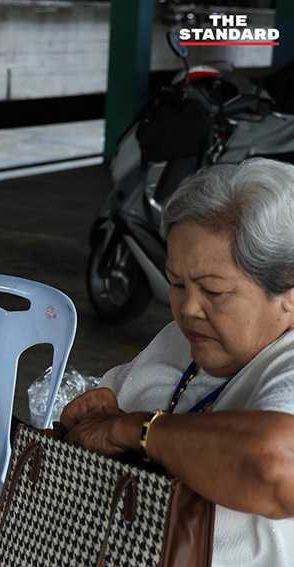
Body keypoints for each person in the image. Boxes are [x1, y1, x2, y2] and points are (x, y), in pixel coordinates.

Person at [61, 157, 294, 566]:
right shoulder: (179, 339)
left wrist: (134, 429)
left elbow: (275, 465)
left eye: (214, 291)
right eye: (176, 283)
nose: (187, 309)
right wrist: (90, 417)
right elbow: (104, 416)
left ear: (288, 290)